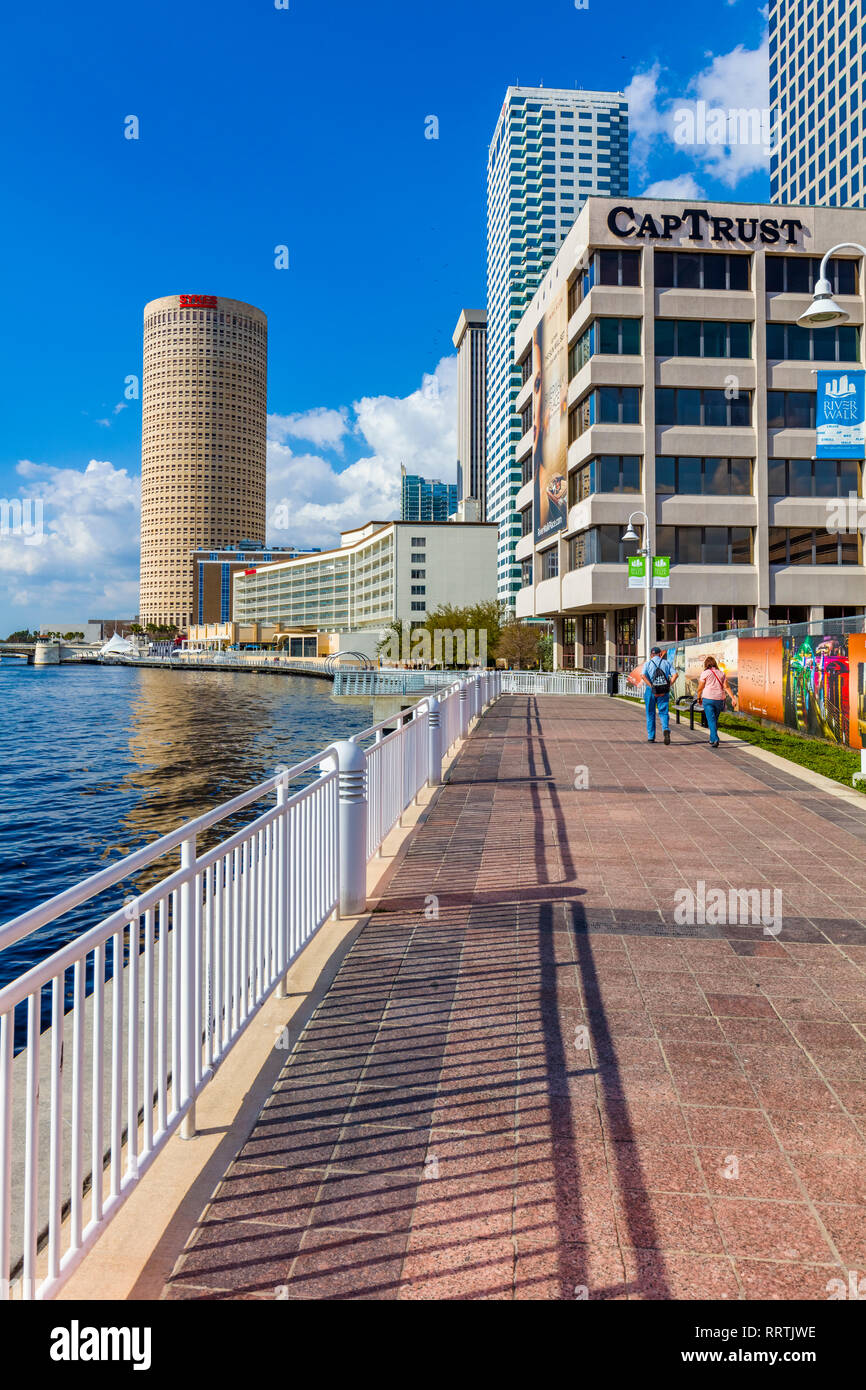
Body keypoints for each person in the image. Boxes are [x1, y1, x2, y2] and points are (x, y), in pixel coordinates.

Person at [641, 645, 675, 744]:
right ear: (660, 654)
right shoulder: (667, 663)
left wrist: (651, 685)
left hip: (651, 691)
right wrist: (669, 685)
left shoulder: (647, 664)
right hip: (663, 690)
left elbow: (643, 676)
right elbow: (675, 675)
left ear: (651, 655)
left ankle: (651, 736)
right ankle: (665, 728)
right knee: (663, 712)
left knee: (650, 712)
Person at [696, 656, 728, 748]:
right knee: (714, 720)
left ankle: (716, 739)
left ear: (706, 664)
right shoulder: (722, 673)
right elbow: (726, 686)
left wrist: (699, 698)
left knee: (711, 720)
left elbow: (700, 688)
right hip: (719, 699)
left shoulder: (705, 673)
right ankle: (711, 738)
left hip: (708, 698)